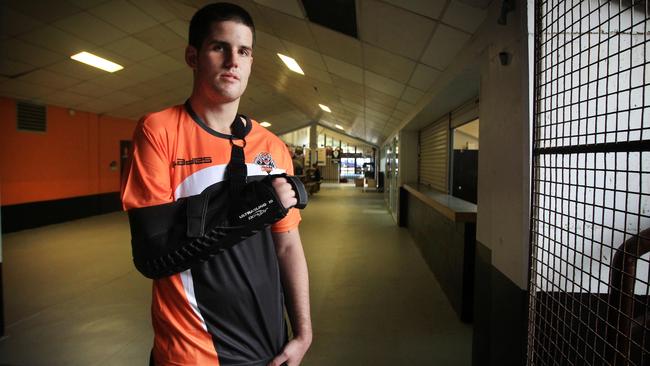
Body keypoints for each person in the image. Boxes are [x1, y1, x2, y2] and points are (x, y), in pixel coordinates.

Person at [120, 3, 312, 365]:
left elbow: (287, 247)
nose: (232, 61)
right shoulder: (159, 130)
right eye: (218, 47)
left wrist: (303, 332)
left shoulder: (272, 147)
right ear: (193, 56)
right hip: (191, 349)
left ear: (252, 61)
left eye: (243, 51)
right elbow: (153, 254)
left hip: (267, 345)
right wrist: (253, 208)